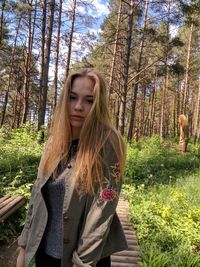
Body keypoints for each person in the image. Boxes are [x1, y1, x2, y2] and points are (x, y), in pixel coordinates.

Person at [16, 68, 128, 267]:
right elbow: (37, 194)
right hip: (46, 254)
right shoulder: (54, 142)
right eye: (72, 97)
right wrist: (23, 245)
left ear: (98, 105)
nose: (78, 106)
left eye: (89, 100)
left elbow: (102, 210)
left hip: (83, 259)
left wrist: (82, 262)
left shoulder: (108, 143)